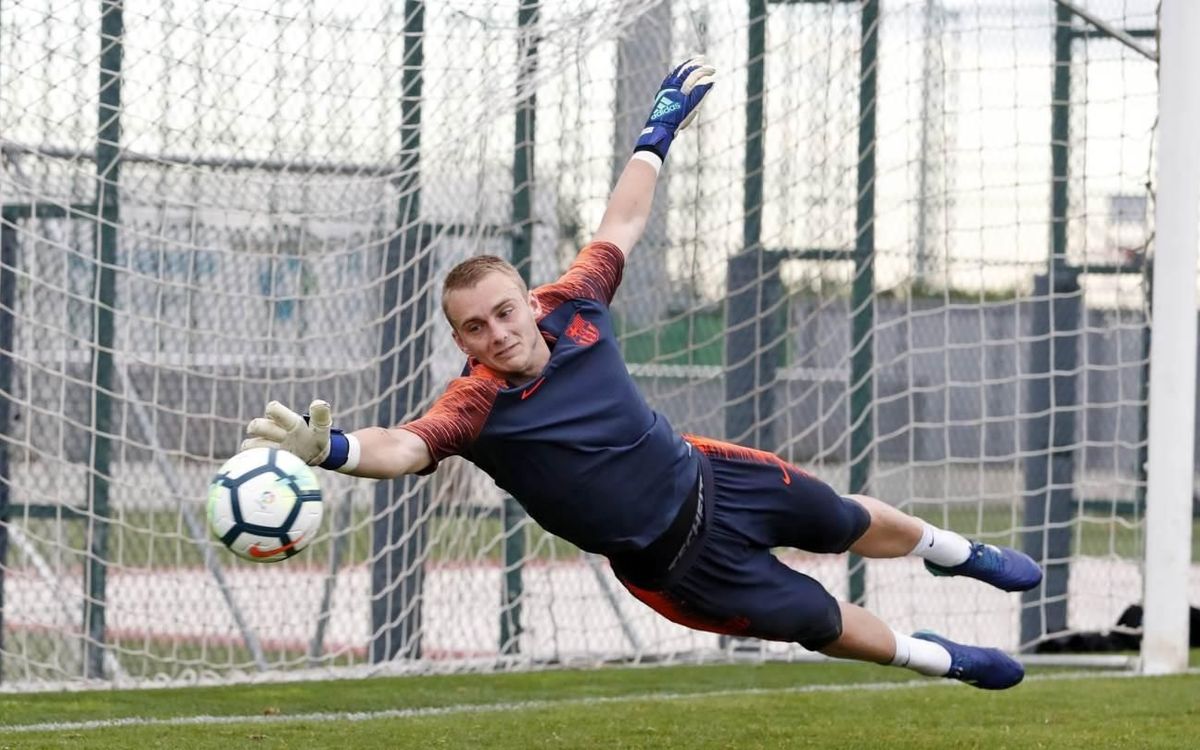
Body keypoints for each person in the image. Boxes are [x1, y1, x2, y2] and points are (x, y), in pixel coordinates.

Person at [242, 57, 1042, 690]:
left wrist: (655, 135)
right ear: (463, 339)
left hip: (712, 475)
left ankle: (953, 549)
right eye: (475, 327)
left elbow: (621, 223)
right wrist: (334, 449)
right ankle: (942, 660)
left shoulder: (574, 301)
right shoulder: (476, 402)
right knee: (819, 619)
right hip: (674, 563)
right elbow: (407, 448)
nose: (497, 332)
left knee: (839, 517)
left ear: (527, 299)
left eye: (505, 311)